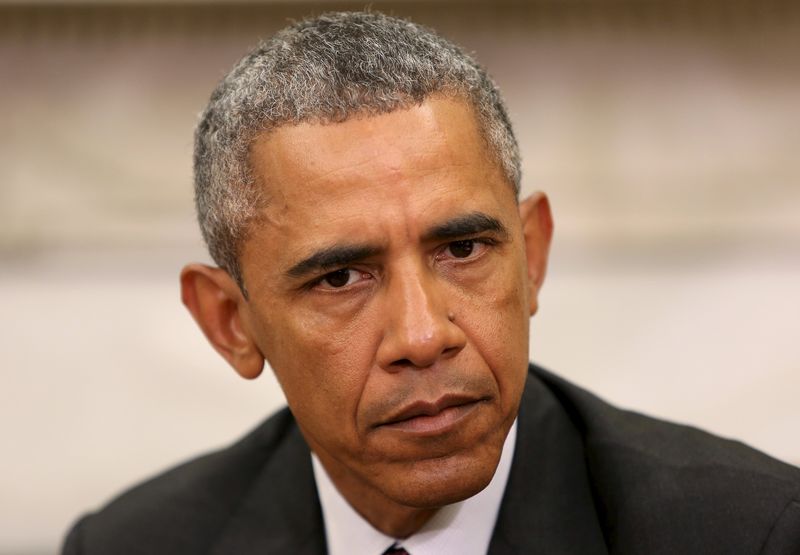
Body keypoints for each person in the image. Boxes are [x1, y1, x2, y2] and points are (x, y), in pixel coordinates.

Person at [63, 11, 800, 555]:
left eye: (463, 247)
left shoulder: (752, 532)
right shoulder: (132, 543)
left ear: (531, 254)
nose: (423, 335)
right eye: (341, 276)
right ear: (230, 321)